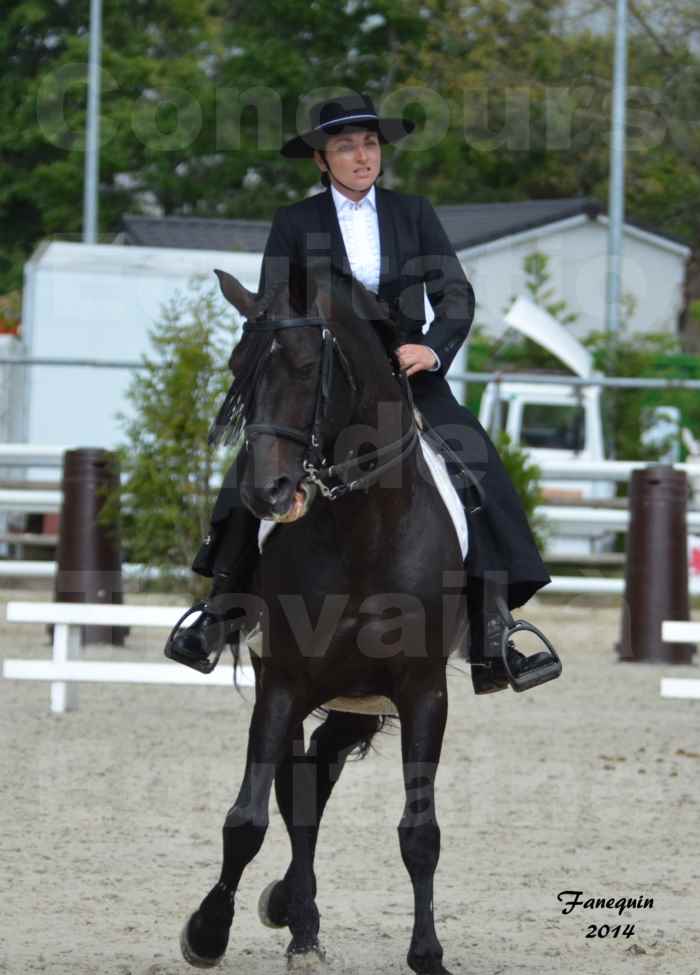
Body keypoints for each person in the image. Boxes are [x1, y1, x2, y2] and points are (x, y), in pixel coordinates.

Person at [165, 93, 560, 693]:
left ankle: (493, 627)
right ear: (321, 161)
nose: (361, 156)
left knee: (476, 462)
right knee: (260, 457)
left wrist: (434, 347)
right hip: (320, 379)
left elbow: (455, 293)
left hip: (405, 375)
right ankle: (221, 608)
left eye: (369, 144)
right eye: (346, 147)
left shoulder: (414, 213)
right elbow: (274, 308)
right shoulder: (295, 222)